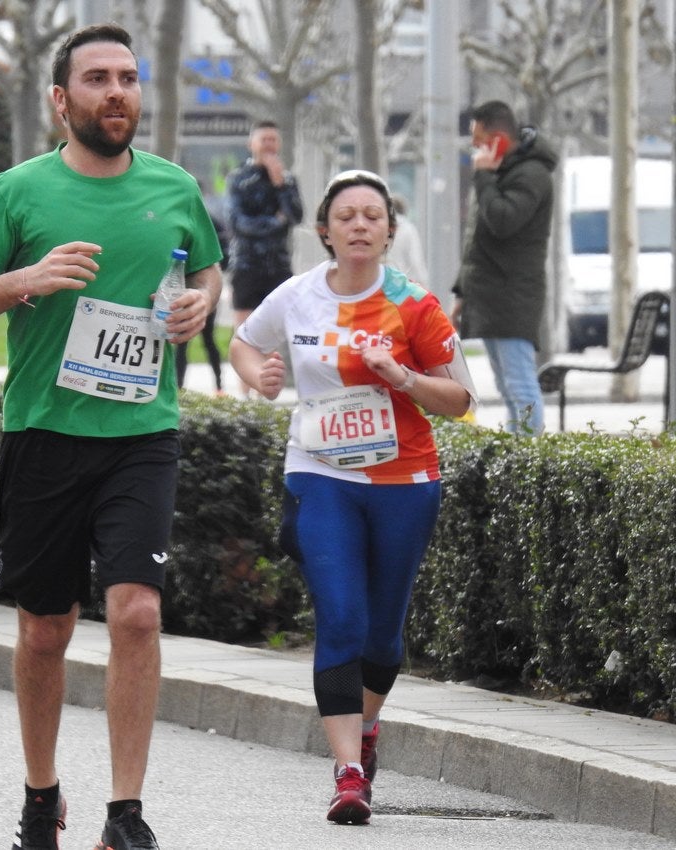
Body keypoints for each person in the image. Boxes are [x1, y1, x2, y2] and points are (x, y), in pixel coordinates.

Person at [0, 23, 222, 850]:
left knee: (135, 613)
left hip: (141, 432)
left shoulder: (174, 186)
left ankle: (125, 814)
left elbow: (203, 265)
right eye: (96, 79)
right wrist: (27, 278)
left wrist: (202, 302)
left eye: (127, 77)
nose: (116, 91)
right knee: (44, 628)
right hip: (45, 431)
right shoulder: (18, 193)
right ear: (62, 100)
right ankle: (40, 793)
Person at [229, 169, 477, 825]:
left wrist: (402, 377)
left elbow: (459, 400)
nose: (360, 225)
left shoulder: (414, 305)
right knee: (339, 615)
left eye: (373, 215)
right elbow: (244, 344)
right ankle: (346, 773)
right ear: (325, 231)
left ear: (389, 231)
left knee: (382, 637)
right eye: (347, 216)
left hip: (404, 481)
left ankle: (365, 730)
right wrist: (261, 376)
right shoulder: (296, 296)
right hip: (320, 474)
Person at [452, 100, 558, 435]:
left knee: (520, 385)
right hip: (490, 293)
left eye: (479, 141)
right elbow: (478, 238)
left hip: (513, 295)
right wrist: (462, 290)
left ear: (498, 140)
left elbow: (502, 221)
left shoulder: (531, 175)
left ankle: (529, 459)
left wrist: (483, 176)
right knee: (506, 386)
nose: (474, 150)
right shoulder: (503, 173)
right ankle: (518, 452)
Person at [224, 120, 303, 393]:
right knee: (244, 330)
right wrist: (275, 222)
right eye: (264, 139)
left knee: (274, 331)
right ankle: (244, 394)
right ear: (252, 143)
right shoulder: (238, 179)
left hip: (278, 264)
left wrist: (280, 184)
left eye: (273, 140)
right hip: (247, 264)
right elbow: (238, 223)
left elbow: (296, 216)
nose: (269, 145)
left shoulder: (288, 179)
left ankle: (266, 390)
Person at [176, 187, 228, 394]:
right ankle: (179, 387)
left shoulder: (209, 222)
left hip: (200, 291)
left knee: (208, 339)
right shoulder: (179, 218)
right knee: (182, 343)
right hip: (180, 291)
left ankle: (219, 386)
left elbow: (221, 255)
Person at [385, 193, 428, 285]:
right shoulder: (409, 229)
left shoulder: (383, 228)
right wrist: (423, 282)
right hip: (404, 282)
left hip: (385, 281)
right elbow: (415, 259)